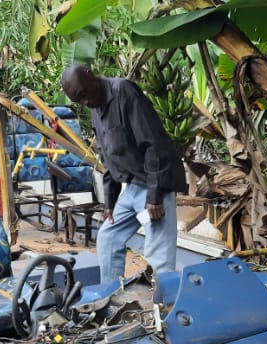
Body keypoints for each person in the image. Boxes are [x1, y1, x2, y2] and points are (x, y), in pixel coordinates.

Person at [60, 64, 188, 284]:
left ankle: (168, 310)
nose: (86, 103)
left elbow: (153, 143)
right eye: (79, 101)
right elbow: (109, 159)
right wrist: (109, 203)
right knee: (108, 237)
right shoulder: (96, 110)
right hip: (133, 188)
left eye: (84, 95)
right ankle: (111, 296)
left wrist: (154, 195)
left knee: (158, 254)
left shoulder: (124, 92)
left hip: (154, 185)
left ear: (91, 75)